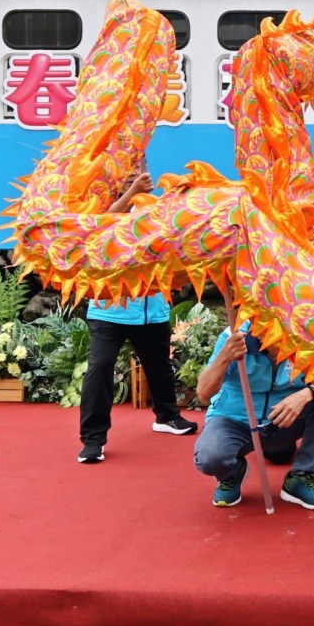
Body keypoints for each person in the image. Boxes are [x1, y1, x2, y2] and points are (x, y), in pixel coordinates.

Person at [77, 162, 196, 464]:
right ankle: (93, 440)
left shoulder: (157, 207)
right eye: (128, 171)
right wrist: (131, 194)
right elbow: (101, 228)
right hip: (109, 310)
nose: (135, 174)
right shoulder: (103, 204)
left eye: (139, 168)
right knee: (100, 368)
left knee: (159, 365)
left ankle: (167, 417)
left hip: (152, 309)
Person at [193, 326, 314, 509]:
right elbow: (203, 393)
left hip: (284, 419)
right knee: (210, 457)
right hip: (235, 420)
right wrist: (225, 356)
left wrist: (308, 393)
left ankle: (301, 477)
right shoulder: (234, 337)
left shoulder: (309, 333)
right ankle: (231, 473)